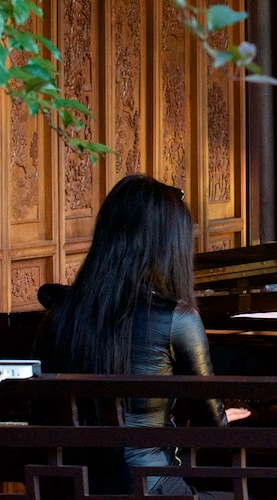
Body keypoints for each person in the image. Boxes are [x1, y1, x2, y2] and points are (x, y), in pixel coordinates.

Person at [33, 174, 249, 497]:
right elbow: (214, 432)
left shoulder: (58, 318)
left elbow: (41, 415)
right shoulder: (178, 319)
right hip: (147, 488)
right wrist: (218, 418)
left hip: (70, 488)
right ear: (169, 246)